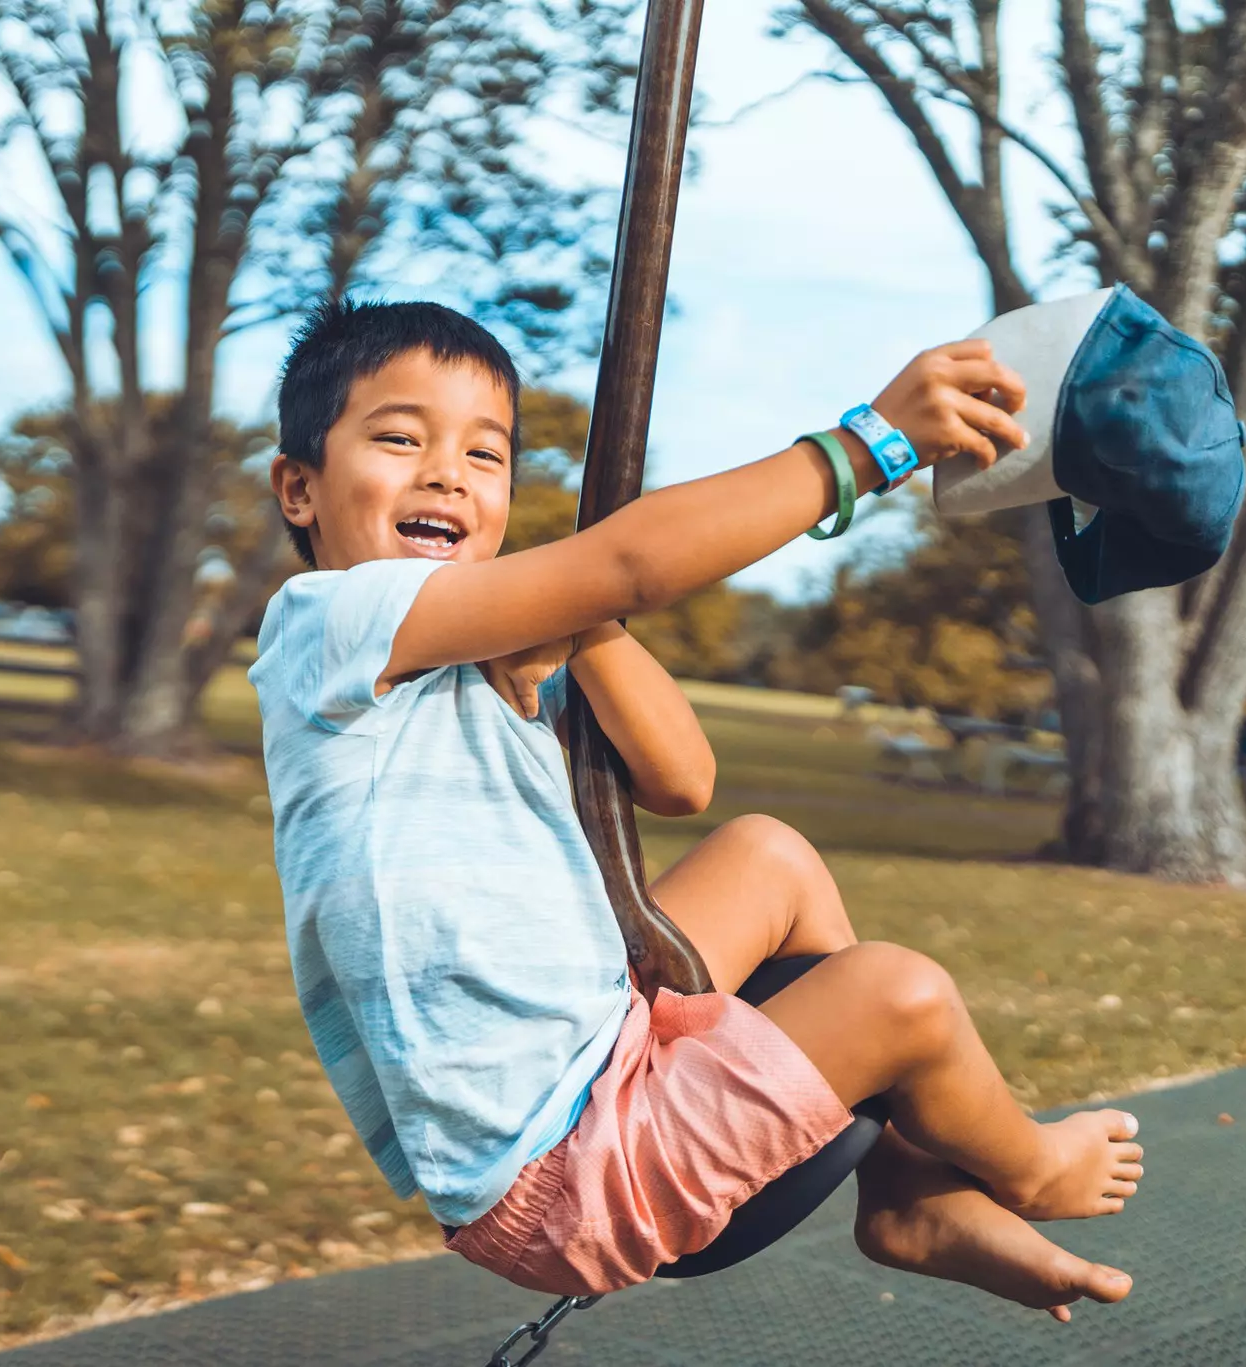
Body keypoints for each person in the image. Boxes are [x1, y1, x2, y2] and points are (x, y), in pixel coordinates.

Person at [249, 300, 1143, 1322]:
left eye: (485, 454)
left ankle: (907, 1187)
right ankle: (1027, 1167)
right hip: (559, 1169)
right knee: (900, 994)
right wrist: (865, 446)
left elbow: (682, 779)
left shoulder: (473, 663)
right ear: (299, 488)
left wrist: (577, 621)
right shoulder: (331, 619)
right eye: (400, 438)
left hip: (599, 1051)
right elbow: (632, 561)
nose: (448, 472)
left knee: (771, 855)